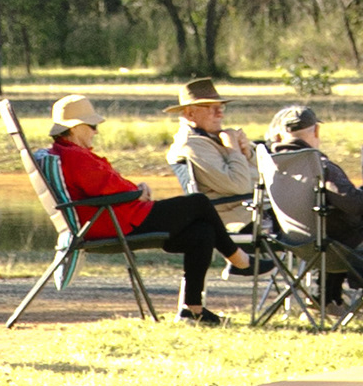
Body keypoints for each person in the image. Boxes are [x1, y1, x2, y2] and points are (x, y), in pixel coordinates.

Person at [42, 94, 226, 321]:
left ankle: (193, 310)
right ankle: (238, 259)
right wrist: (139, 191)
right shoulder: (75, 157)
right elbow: (113, 189)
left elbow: (109, 187)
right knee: (199, 203)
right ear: (76, 128)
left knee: (201, 233)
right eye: (91, 126)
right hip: (117, 223)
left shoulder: (66, 152)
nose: (96, 131)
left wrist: (135, 191)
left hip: (116, 217)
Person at [257, 98, 363, 309]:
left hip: (293, 243)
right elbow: (356, 204)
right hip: (338, 248)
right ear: (316, 132)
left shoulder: (272, 163)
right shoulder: (319, 166)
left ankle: (328, 298)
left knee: (334, 221)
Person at [167, 82, 260, 269]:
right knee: (318, 220)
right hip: (238, 216)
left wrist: (247, 153)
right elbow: (240, 184)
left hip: (250, 208)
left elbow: (264, 171)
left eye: (221, 107)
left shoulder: (212, 137)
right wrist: (233, 148)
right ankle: (324, 291)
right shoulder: (192, 144)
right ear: (190, 113)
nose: (220, 113)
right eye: (211, 108)